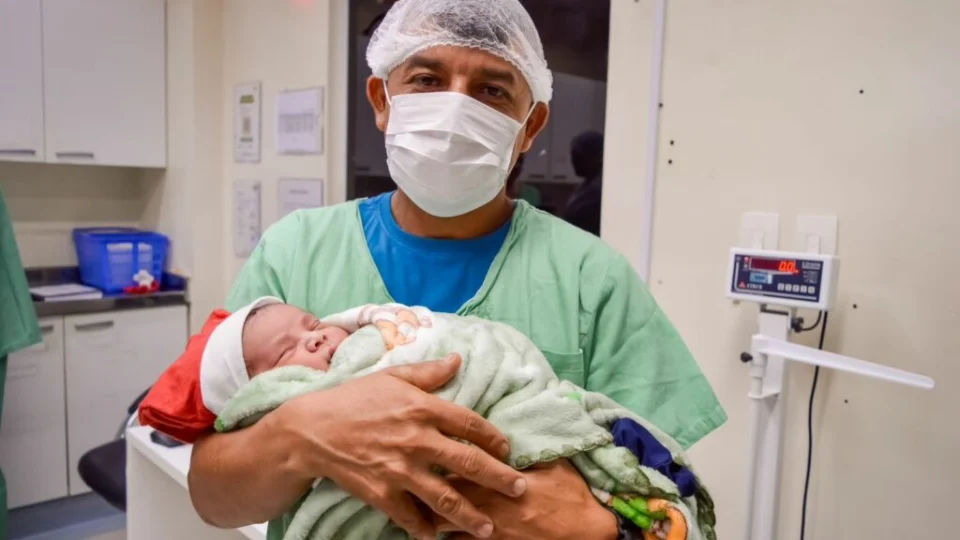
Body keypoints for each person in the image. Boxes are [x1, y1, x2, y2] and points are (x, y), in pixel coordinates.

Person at [183, 1, 727, 539]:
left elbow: (660, 489)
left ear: (529, 125)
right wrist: (303, 435)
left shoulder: (591, 278)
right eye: (426, 79)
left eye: (492, 90)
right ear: (382, 100)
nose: (454, 109)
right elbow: (213, 496)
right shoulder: (295, 250)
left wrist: (592, 528)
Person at [562, 130, 605, 236]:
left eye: (578, 156)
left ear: (597, 157)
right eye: (573, 155)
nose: (573, 161)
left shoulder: (597, 191)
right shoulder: (585, 186)